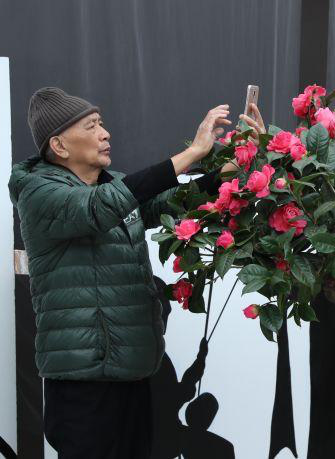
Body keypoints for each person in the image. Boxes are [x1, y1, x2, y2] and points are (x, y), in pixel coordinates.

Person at [8, 87, 238, 458]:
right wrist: (194, 152)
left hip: (132, 373)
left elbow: (169, 203)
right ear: (59, 146)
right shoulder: (38, 191)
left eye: (102, 124)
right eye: (91, 126)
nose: (105, 134)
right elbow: (97, 208)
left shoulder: (114, 185)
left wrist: (233, 168)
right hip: (83, 381)